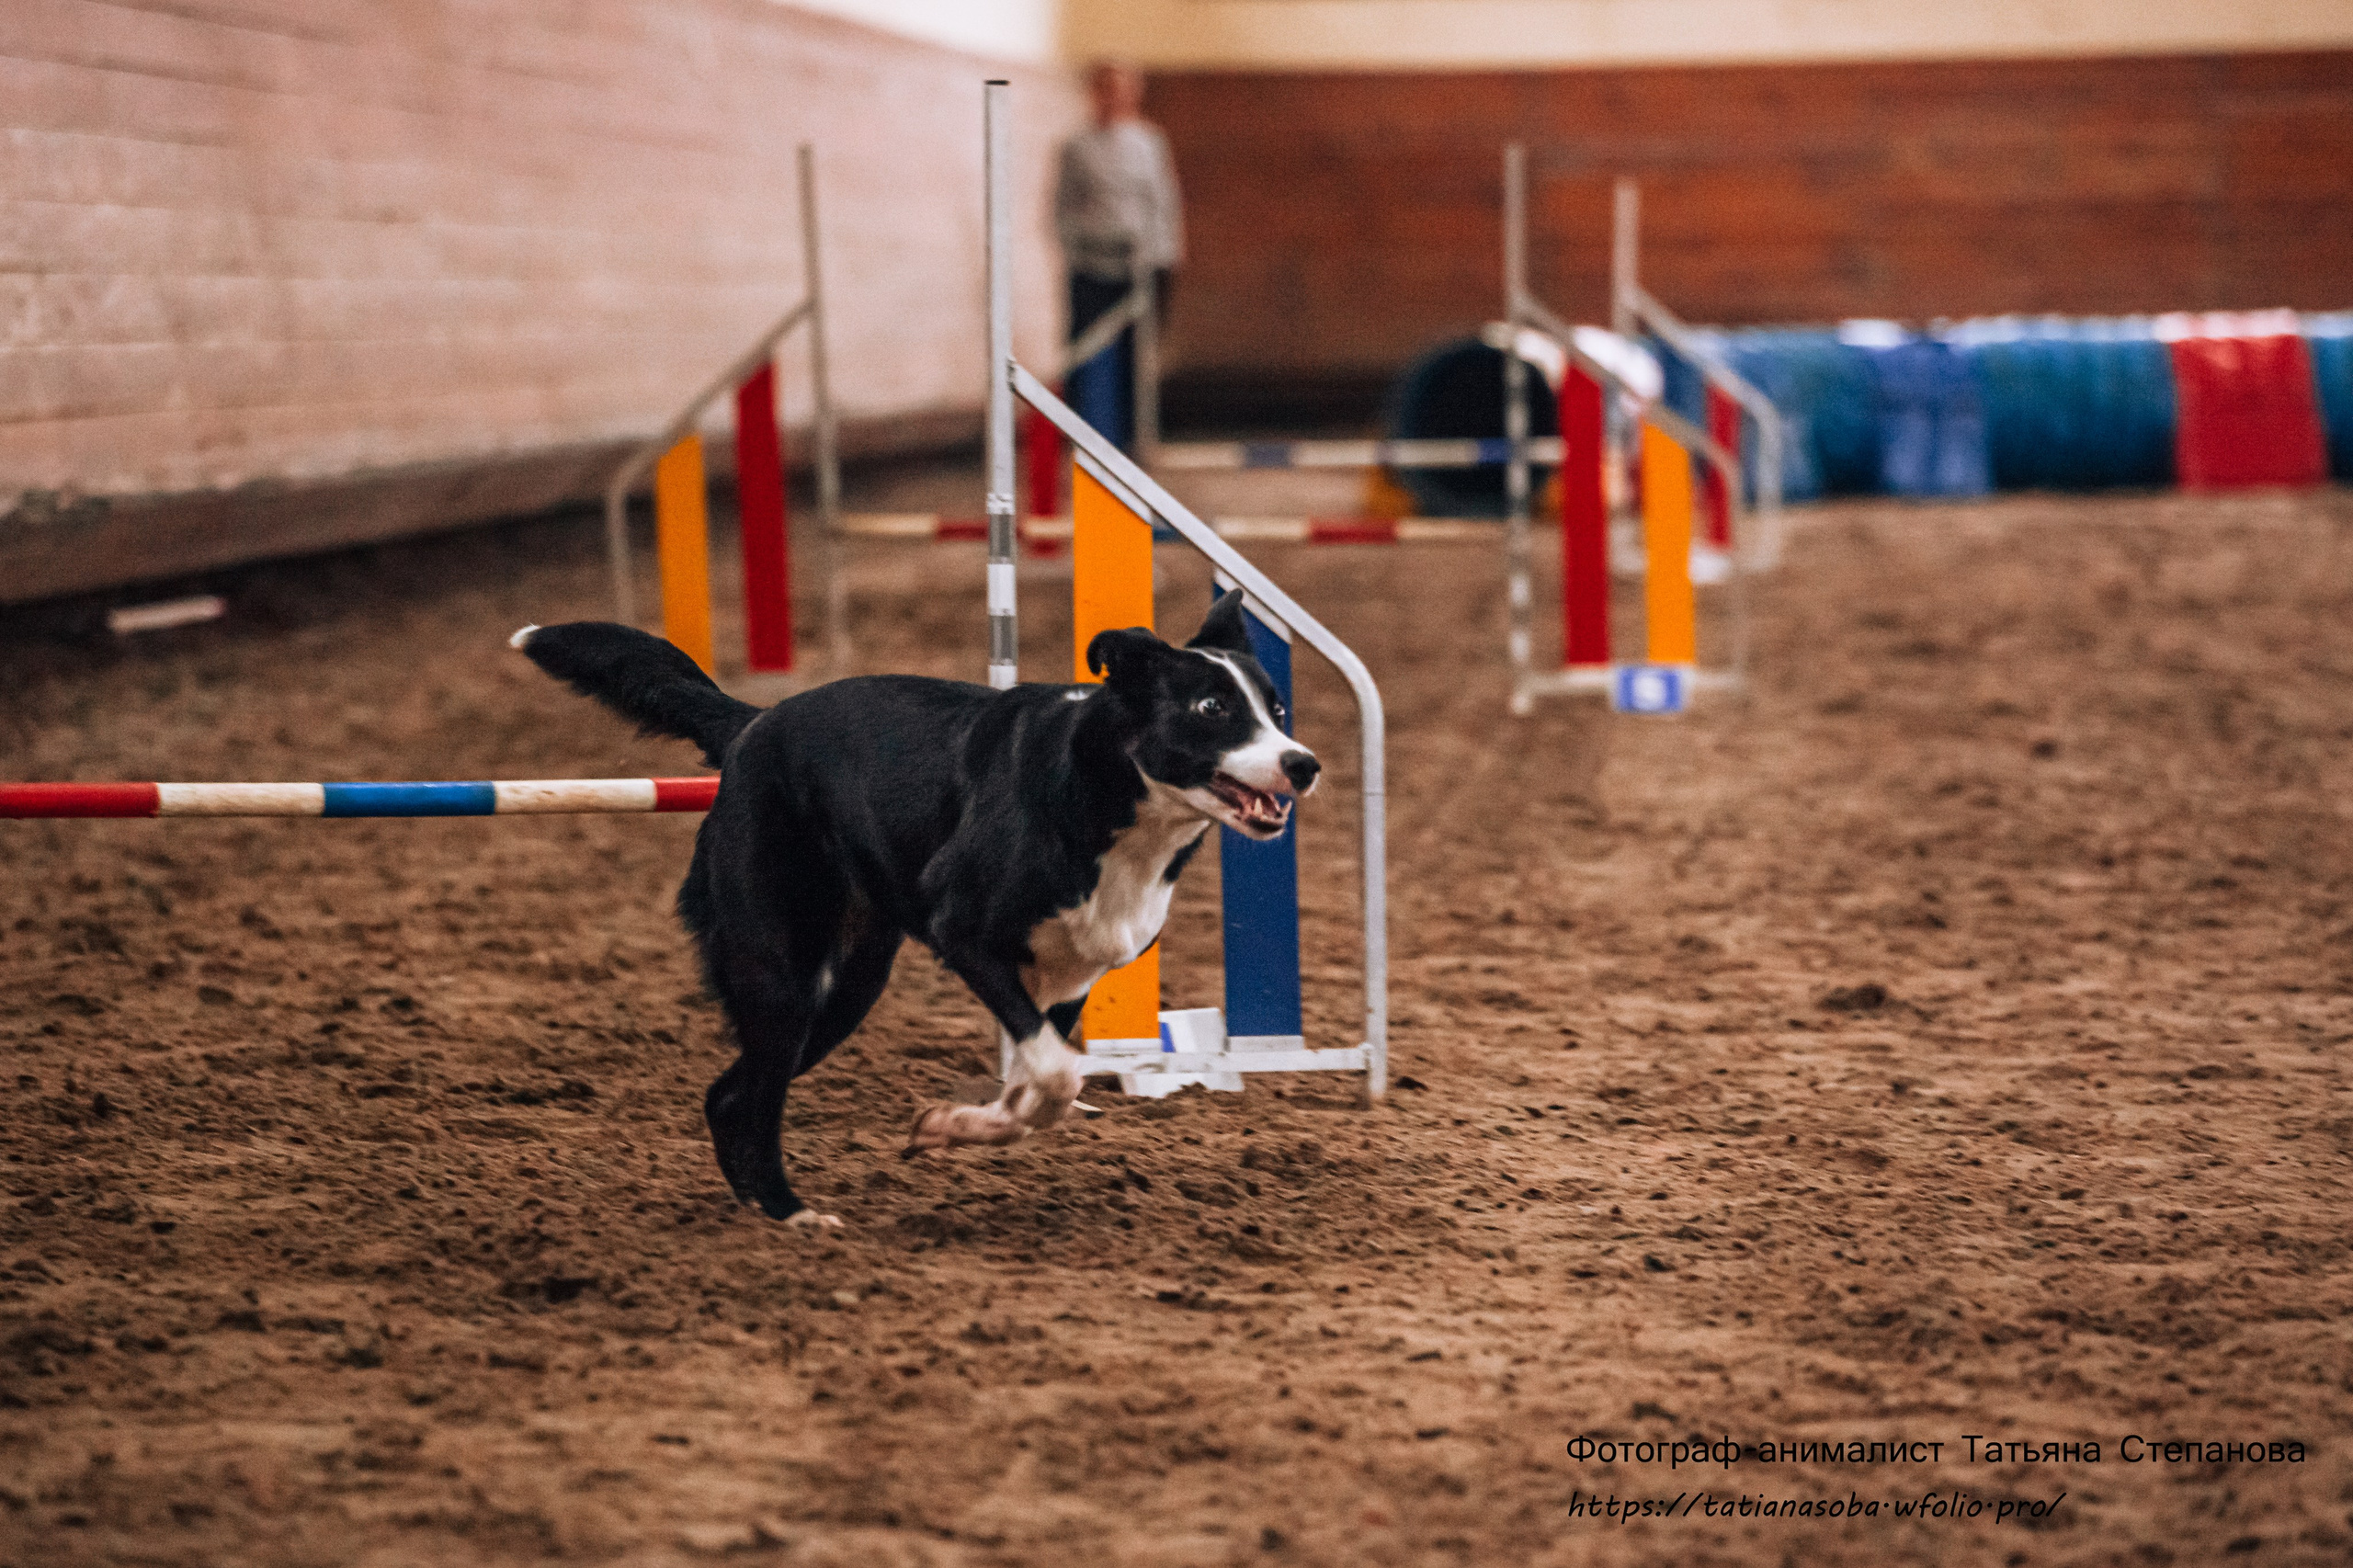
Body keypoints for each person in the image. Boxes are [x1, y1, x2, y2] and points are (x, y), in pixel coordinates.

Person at [1054, 60, 1183, 452]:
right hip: (1091, 268)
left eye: (1122, 89)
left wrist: (1165, 257)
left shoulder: (1149, 143)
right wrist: (1081, 247)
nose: (1114, 98)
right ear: (1094, 94)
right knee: (1086, 353)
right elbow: (1061, 209)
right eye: (1105, 89)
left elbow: (1163, 201)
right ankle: (1084, 439)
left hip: (1138, 269)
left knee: (1135, 357)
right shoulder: (1075, 147)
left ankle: (1134, 441)